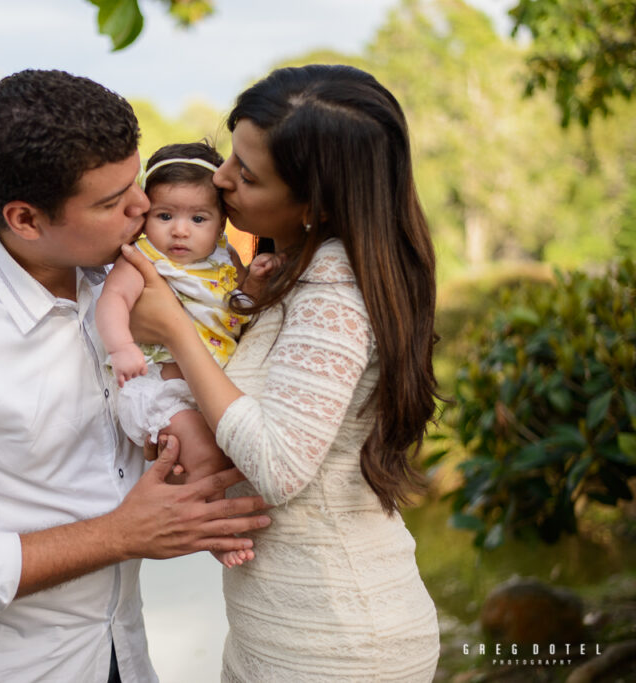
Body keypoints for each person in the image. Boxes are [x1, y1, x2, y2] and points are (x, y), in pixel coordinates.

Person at [0, 69, 270, 683]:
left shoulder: (118, 275)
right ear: (25, 219)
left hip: (123, 649)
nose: (143, 208)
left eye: (135, 183)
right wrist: (122, 534)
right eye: (110, 202)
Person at [122, 64, 442, 681]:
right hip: (281, 625)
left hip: (335, 641)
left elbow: (277, 464)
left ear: (314, 201)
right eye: (230, 155)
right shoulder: (297, 268)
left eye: (246, 172)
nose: (220, 178)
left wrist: (174, 330)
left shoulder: (335, 288)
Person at [96, 141, 277, 570]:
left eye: (198, 218)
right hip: (161, 389)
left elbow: (234, 309)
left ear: (219, 225)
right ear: (146, 217)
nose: (180, 231)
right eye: (165, 216)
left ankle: (214, 517)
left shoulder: (224, 258)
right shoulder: (144, 258)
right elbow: (112, 301)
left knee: (225, 449)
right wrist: (121, 346)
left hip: (206, 387)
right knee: (202, 452)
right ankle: (213, 530)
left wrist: (252, 285)